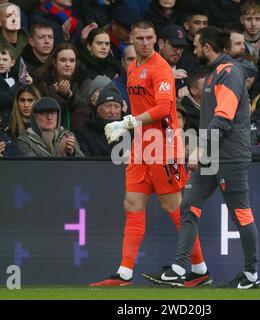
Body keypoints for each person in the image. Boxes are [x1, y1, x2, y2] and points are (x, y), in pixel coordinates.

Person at [89, 20, 210, 287]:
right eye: (139, 38)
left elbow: (164, 108)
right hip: (140, 148)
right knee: (132, 205)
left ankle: (200, 269)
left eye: (149, 38)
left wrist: (127, 122)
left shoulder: (160, 68)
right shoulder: (133, 67)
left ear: (155, 39)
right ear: (130, 38)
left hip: (163, 146)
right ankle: (124, 273)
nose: (145, 43)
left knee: (174, 207)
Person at [142, 26, 260, 289]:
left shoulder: (228, 74)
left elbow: (224, 118)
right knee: (189, 203)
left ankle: (251, 274)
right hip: (213, 156)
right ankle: (184, 269)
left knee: (241, 214)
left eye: (195, 46)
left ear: (207, 47)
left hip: (229, 158)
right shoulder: (217, 73)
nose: (193, 51)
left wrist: (199, 148)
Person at [34, 42, 91, 130]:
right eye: (63, 60)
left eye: (72, 61)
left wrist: (70, 96)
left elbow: (86, 106)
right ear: (54, 62)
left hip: (78, 132)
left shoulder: (83, 80)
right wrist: (58, 95)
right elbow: (45, 110)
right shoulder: (43, 82)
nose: (68, 65)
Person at [16, 96, 84, 157]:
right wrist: (59, 153)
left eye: (53, 112)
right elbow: (35, 168)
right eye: (43, 113)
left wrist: (72, 153)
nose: (49, 117)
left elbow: (83, 166)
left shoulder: (68, 135)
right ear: (34, 117)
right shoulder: (24, 140)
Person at [74, 82, 127, 157]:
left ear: (121, 109)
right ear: (98, 108)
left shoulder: (130, 132)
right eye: (108, 106)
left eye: (116, 106)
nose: (112, 111)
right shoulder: (83, 133)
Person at [0, 46, 32, 120]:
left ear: (12, 62)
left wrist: (30, 85)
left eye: (5, 59)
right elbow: (2, 100)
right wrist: (21, 82)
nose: (1, 63)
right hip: (0, 121)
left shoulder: (16, 78)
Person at [157, 24, 189, 91]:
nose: (178, 52)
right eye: (174, 46)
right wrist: (166, 76)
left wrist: (189, 89)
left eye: (181, 47)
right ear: (161, 44)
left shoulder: (188, 67)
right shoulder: (147, 65)